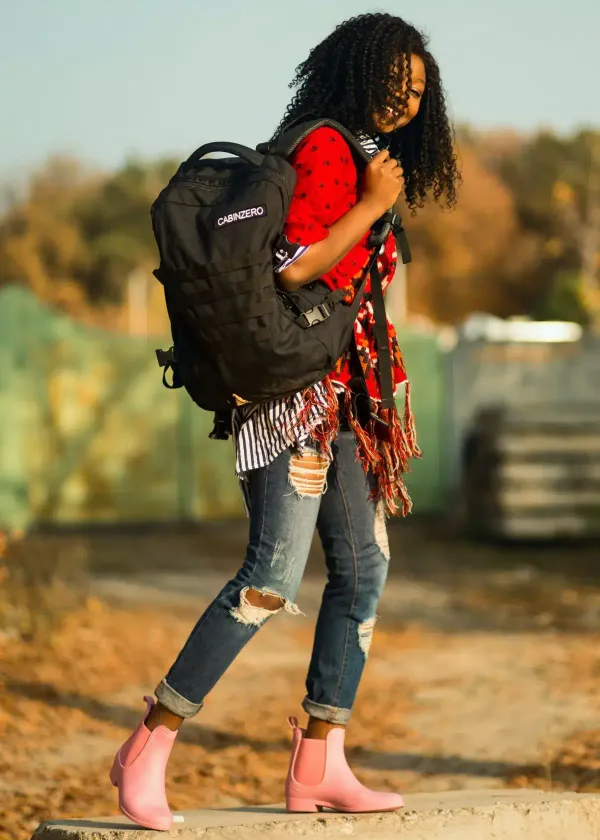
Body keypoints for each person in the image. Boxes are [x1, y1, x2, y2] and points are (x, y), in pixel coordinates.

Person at [109, 12, 458, 831]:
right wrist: (371, 208)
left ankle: (321, 760)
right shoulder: (329, 150)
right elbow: (295, 263)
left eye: (416, 93)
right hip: (294, 396)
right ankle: (148, 744)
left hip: (340, 400)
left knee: (363, 568)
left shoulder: (362, 153)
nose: (402, 103)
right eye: (390, 84)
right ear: (353, 72)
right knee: (269, 577)